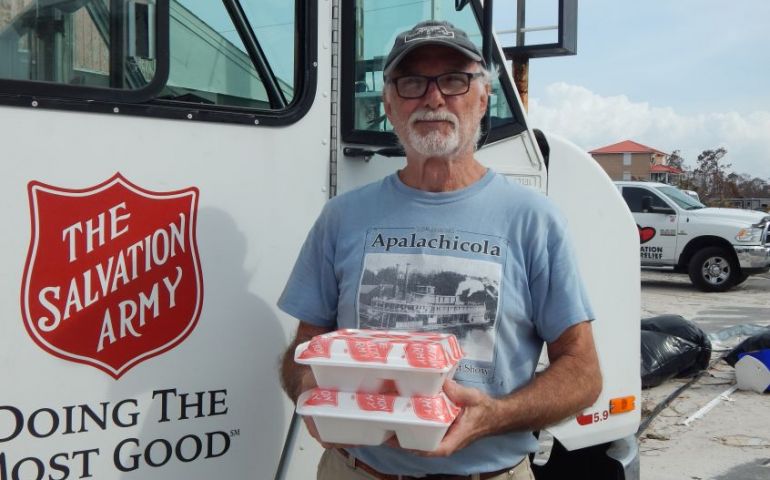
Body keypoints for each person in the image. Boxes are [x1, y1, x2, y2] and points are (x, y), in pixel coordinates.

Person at [279, 19, 602, 480]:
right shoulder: (341, 218)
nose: (433, 98)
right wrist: (311, 392)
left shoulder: (533, 220)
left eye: (454, 79)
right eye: (411, 82)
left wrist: (495, 414)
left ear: (484, 96)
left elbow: (584, 373)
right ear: (388, 103)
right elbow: (302, 351)